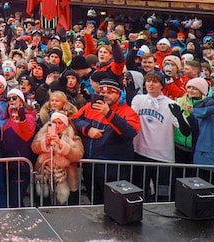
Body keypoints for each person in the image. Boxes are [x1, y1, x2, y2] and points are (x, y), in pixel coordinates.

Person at [71, 78, 140, 204]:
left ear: (118, 93)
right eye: (102, 92)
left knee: (114, 204)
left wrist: (108, 114)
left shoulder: (128, 112)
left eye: (109, 92)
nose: (105, 95)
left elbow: (129, 133)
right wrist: (88, 129)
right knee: (94, 201)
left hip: (114, 169)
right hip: (91, 166)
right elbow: (74, 119)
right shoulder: (90, 107)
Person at [131, 72, 190, 201]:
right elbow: (131, 119)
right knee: (140, 192)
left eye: (155, 81)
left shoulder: (171, 104)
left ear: (162, 85)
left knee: (163, 194)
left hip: (163, 158)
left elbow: (186, 131)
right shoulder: (138, 99)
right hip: (141, 153)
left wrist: (179, 116)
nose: (150, 84)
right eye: (148, 81)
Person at [31, 112, 84, 205]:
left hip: (66, 176)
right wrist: (45, 143)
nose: (57, 125)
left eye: (60, 123)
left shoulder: (74, 138)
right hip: (45, 175)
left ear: (66, 125)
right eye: (55, 123)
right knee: (44, 204)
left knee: (67, 206)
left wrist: (61, 144)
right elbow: (34, 147)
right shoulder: (42, 134)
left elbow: (78, 154)